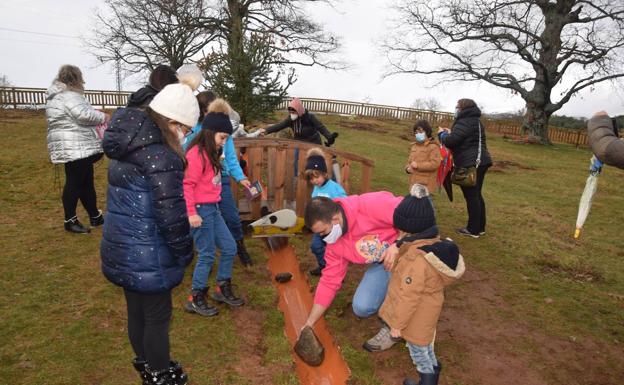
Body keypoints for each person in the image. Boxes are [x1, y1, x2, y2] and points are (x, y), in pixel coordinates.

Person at [100, 78, 199, 384]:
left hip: (122, 245)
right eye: (182, 128)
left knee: (136, 311)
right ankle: (158, 374)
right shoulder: (162, 157)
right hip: (150, 251)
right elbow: (171, 216)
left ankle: (146, 362)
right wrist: (185, 253)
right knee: (157, 316)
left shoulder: (128, 145)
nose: (183, 135)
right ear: (170, 122)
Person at [372, 184, 465, 385]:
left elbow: (408, 297)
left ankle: (427, 380)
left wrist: (397, 325)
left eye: (400, 228)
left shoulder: (417, 261)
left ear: (409, 228)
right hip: (426, 312)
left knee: (418, 352)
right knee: (425, 347)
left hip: (415, 317)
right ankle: (432, 373)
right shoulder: (429, 245)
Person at [301, 192, 404, 351]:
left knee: (408, 292)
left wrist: (398, 244)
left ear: (335, 219)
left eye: (323, 232)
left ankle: (395, 326)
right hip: (383, 262)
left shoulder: (370, 205)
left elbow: (413, 212)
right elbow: (329, 281)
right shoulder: (334, 244)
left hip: (409, 251)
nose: (323, 237)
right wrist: (310, 322)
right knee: (362, 307)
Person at [183, 98, 246, 317]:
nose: (223, 142)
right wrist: (191, 213)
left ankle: (221, 288)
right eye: (222, 138)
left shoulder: (212, 153)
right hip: (200, 211)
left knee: (229, 247)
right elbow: (187, 184)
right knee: (207, 254)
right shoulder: (196, 155)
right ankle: (195, 296)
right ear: (210, 133)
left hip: (214, 209)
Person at [183, 91, 258, 267]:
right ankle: (200, 257)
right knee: (197, 220)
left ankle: (240, 247)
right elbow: (186, 157)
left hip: (220, 181)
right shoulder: (195, 132)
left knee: (231, 217)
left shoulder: (225, 133)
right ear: (203, 112)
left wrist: (241, 178)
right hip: (199, 185)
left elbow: (230, 159)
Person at [45, 64, 108, 234]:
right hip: (75, 146)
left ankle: (95, 216)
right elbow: (84, 115)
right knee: (75, 182)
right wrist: (103, 116)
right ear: (76, 78)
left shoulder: (56, 97)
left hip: (72, 145)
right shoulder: (69, 95)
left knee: (85, 181)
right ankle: (70, 220)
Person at [438, 98, 492, 238]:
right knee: (477, 195)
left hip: (471, 163)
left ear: (462, 108)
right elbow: (463, 137)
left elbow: (452, 141)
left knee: (472, 196)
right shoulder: (476, 121)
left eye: (457, 107)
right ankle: (480, 227)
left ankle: (473, 229)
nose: (455, 109)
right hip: (481, 161)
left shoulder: (464, 121)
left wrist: (442, 134)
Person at [304, 148, 347, 276]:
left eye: (317, 177)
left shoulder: (334, 188)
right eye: (311, 179)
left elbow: (345, 203)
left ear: (324, 173)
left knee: (334, 251)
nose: (315, 181)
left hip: (333, 227)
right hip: (321, 227)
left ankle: (336, 272)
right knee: (316, 247)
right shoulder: (316, 189)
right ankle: (324, 267)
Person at [264, 98, 338, 145]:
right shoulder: (290, 119)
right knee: (297, 162)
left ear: (299, 110)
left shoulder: (310, 117)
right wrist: (266, 131)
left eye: (293, 112)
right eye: (290, 112)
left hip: (313, 142)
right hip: (298, 142)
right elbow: (279, 126)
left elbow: (321, 127)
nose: (291, 114)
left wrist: (329, 137)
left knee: (315, 162)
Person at [405, 119, 442, 194]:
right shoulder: (414, 146)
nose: (418, 134)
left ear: (427, 132)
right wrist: (407, 169)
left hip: (425, 186)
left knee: (426, 205)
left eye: (421, 132)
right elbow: (409, 162)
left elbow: (435, 164)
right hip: (413, 185)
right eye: (416, 132)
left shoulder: (433, 147)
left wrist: (418, 165)